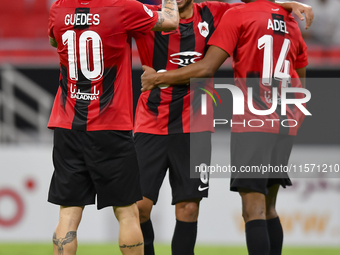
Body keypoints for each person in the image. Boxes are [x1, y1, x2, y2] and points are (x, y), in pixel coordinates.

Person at [134, 0, 312, 254]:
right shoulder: (145, 16)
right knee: (139, 207)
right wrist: (289, 5)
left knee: (193, 208)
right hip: (150, 122)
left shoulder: (219, 12)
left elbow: (209, 65)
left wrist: (157, 78)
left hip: (200, 125)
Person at [46, 0, 179, 254]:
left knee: (68, 215)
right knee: (127, 212)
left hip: (68, 125)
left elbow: (54, 41)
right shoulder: (122, 7)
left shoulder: (58, 8)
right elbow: (171, 20)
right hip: (110, 127)